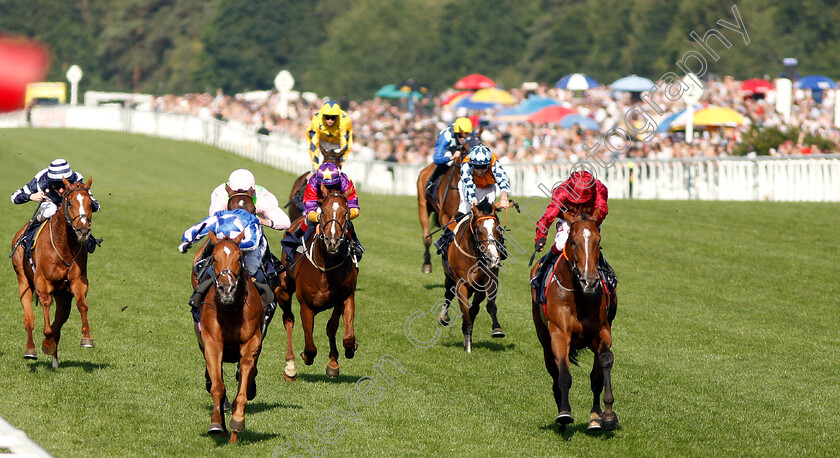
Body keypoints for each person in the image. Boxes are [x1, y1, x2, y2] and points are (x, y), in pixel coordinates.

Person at [178, 208, 274, 323]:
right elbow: (200, 228)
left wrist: (233, 247)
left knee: (251, 269)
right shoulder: (218, 217)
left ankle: (267, 302)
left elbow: (252, 243)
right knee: (214, 267)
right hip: (224, 246)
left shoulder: (250, 221)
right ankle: (198, 297)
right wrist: (186, 240)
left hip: (248, 247)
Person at [531, 170, 617, 294]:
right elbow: (549, 215)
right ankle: (542, 270)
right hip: (568, 220)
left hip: (590, 219)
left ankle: (606, 271)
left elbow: (602, 207)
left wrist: (590, 223)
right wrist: (541, 236)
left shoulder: (600, 189)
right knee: (561, 243)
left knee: (590, 242)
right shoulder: (561, 192)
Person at [10, 158, 102, 256]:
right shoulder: (41, 181)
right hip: (50, 204)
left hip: (70, 208)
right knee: (50, 211)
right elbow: (14, 197)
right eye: (57, 186)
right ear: (50, 182)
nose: (62, 190)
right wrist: (31, 196)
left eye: (64, 185)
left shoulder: (77, 180)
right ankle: (29, 233)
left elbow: (96, 206)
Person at [434, 144, 511, 255]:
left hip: (488, 186)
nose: (480, 170)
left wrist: (504, 197)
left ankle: (500, 244)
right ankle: (445, 238)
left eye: (484, 167)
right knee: (464, 213)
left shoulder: (494, 161)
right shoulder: (465, 164)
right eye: (476, 167)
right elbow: (468, 185)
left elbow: (503, 180)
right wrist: (473, 200)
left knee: (489, 215)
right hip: (470, 186)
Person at [282, 162, 363, 262]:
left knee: (347, 223)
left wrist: (347, 215)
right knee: (308, 221)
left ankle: (356, 245)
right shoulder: (312, 183)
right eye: (327, 186)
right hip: (320, 205)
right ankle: (293, 241)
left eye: (333, 185)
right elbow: (310, 210)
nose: (330, 189)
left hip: (338, 206)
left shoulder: (346, 181)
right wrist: (319, 217)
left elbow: (354, 207)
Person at [425, 117, 473, 193]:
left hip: (463, 148)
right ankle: (432, 182)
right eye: (460, 136)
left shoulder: (472, 133)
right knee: (448, 162)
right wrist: (451, 157)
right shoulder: (445, 136)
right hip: (449, 149)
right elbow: (436, 159)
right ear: (456, 134)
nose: (463, 139)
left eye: (466, 136)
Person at [307, 100, 353, 171]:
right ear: (323, 116)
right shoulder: (316, 120)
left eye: (333, 117)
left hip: (337, 144)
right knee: (314, 171)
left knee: (339, 170)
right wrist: (316, 166)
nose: (330, 120)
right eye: (327, 117)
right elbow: (313, 144)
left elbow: (345, 146)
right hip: (321, 142)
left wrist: (340, 163)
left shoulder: (345, 121)